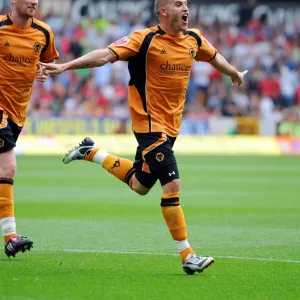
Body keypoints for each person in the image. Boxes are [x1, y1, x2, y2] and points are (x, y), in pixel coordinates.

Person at [40, 0, 247, 274]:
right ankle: (187, 255)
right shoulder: (144, 39)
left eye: (186, 4)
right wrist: (66, 67)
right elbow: (105, 55)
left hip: (171, 128)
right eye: (178, 4)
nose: (185, 8)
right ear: (163, 11)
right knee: (171, 185)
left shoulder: (194, 39)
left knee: (140, 184)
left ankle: (90, 151)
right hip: (148, 125)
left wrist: (232, 72)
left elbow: (213, 56)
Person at [0, 0, 59, 257]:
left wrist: (44, 72)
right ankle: (10, 236)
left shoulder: (44, 33)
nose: (34, 1)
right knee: (8, 166)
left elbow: (46, 64)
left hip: (18, 112)